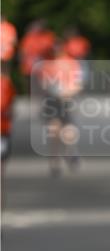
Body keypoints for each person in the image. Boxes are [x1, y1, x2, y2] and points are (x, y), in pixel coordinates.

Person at [34, 40, 84, 175]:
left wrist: (67, 92)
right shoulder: (46, 64)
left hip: (67, 100)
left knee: (69, 131)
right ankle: (54, 161)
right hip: (51, 101)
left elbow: (78, 83)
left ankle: (70, 151)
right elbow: (41, 84)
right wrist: (51, 90)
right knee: (54, 131)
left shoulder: (71, 63)